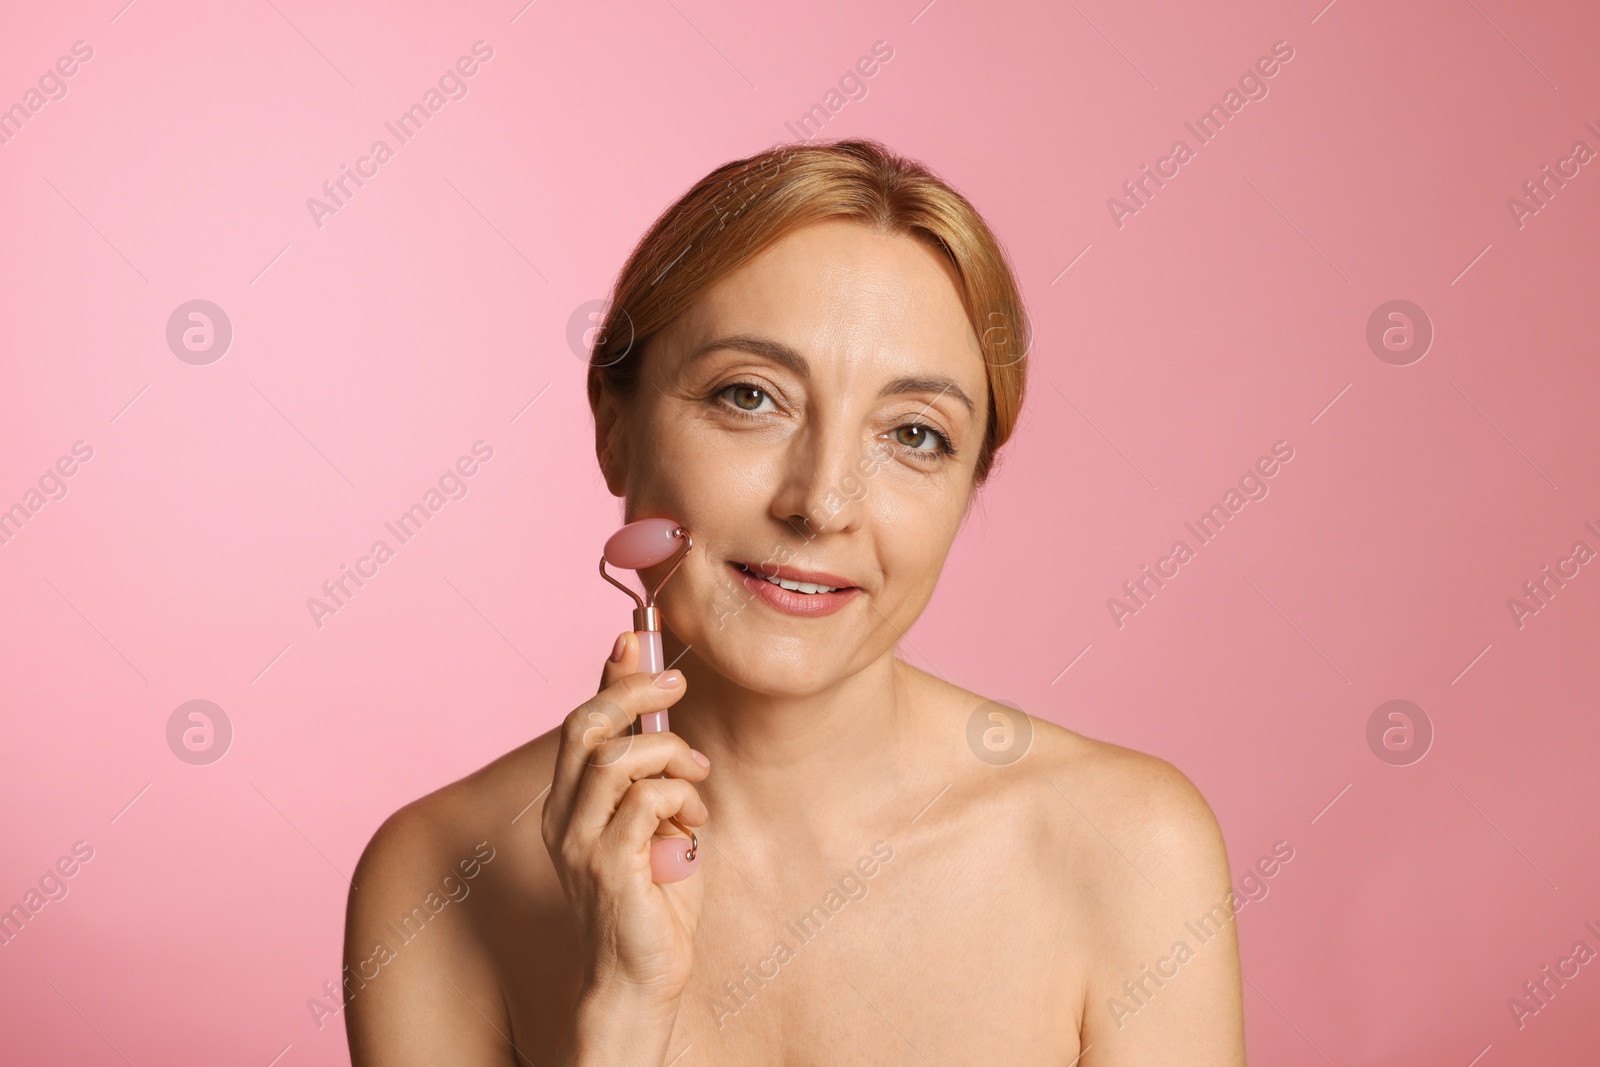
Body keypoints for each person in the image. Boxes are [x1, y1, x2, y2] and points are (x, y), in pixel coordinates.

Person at [343, 138, 1245, 1065]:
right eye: (750, 396)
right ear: (614, 425)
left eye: (914, 435)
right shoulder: (435, 882)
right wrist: (622, 1009)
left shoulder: (1131, 851)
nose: (822, 503)